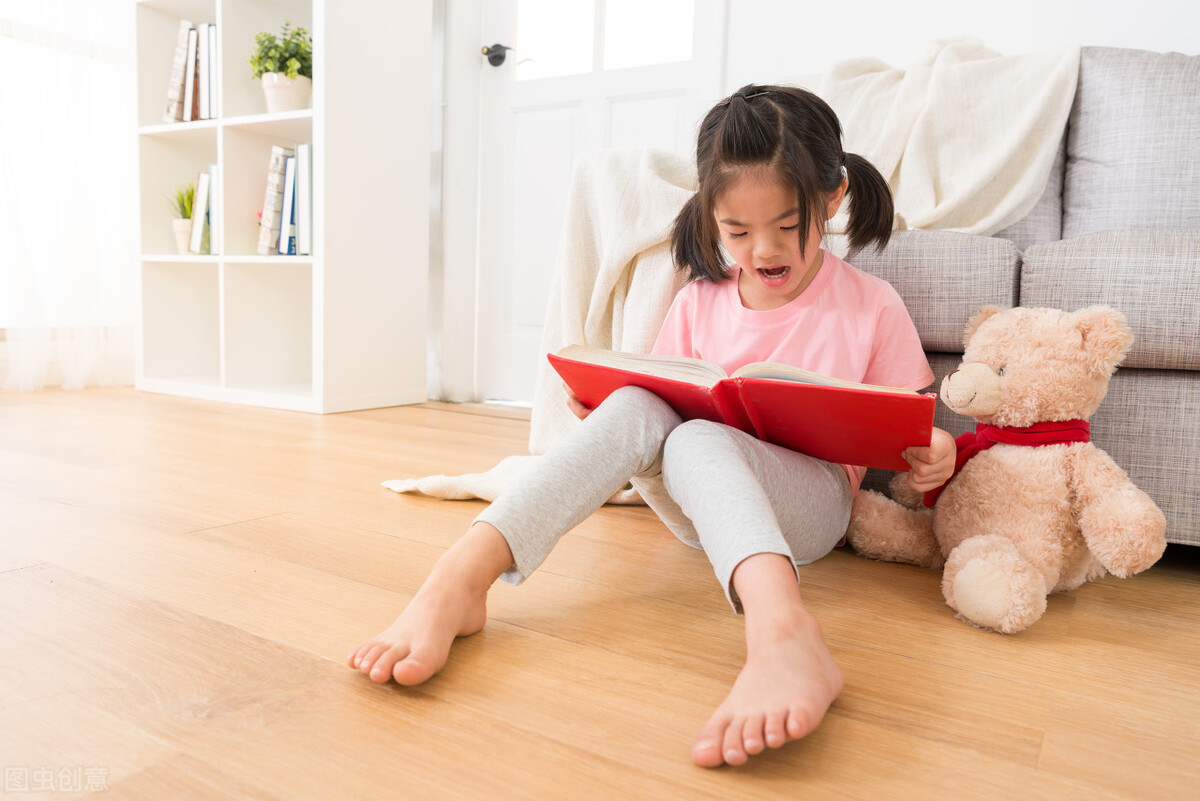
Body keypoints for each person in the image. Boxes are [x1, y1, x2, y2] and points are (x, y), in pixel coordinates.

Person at [347, 85, 957, 768]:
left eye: (788, 226)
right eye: (737, 231)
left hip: (808, 510)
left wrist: (936, 452)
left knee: (697, 436)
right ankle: (460, 578)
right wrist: (608, 412)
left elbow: (913, 424)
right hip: (697, 505)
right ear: (710, 217)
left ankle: (783, 631)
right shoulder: (699, 298)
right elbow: (668, 393)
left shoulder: (871, 305)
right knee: (647, 410)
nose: (764, 250)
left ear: (833, 198)